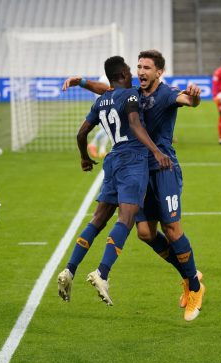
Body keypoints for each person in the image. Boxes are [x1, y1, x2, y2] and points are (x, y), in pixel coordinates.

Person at [60, 50, 206, 321]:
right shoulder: (135, 93)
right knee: (146, 234)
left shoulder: (167, 93)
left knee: (173, 231)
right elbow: (107, 88)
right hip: (139, 171)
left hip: (163, 169)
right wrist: (82, 82)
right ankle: (189, 275)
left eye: (146, 67)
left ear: (159, 72)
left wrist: (195, 97)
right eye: (138, 66)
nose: (141, 71)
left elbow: (188, 100)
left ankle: (195, 288)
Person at [57, 56, 172, 306]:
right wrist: (155, 151)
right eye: (130, 70)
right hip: (133, 160)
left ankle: (69, 269)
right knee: (126, 219)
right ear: (122, 74)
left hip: (113, 161)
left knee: (97, 220)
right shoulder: (131, 95)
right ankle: (102, 273)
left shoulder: (102, 101)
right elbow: (133, 122)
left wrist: (84, 158)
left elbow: (81, 133)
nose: (134, 73)